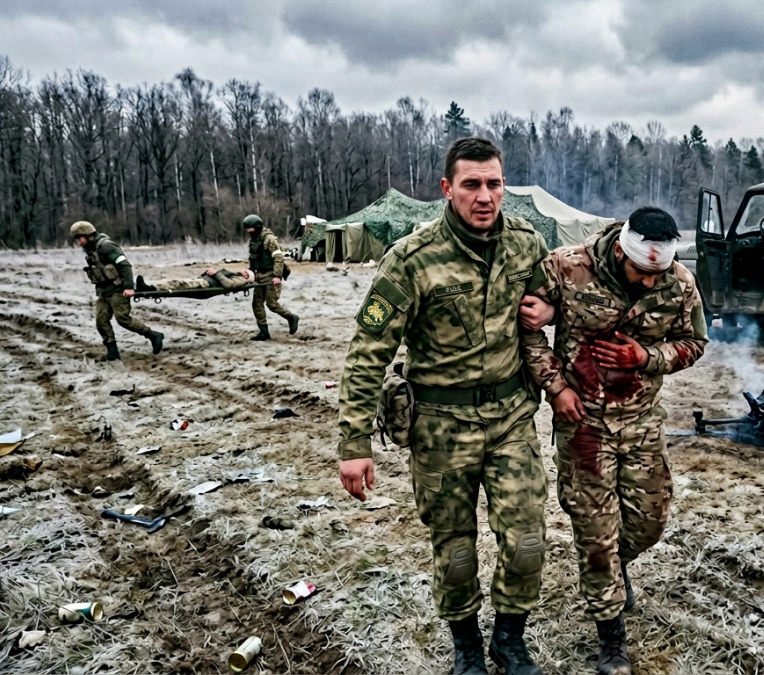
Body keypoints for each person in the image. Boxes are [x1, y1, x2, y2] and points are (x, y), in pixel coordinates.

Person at [337, 138, 549, 675]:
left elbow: (555, 296)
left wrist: (549, 309)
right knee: (454, 551)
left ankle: (508, 639)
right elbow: (367, 353)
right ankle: (467, 648)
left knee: (527, 540)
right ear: (447, 188)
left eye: (494, 184)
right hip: (440, 427)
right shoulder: (411, 259)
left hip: (510, 418)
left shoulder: (526, 243)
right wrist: (354, 443)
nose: (485, 196)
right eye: (471, 184)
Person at [518, 207, 708, 675]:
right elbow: (527, 330)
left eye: (657, 273)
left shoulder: (680, 283)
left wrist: (646, 356)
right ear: (621, 250)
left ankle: (614, 569)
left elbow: (694, 343)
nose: (649, 282)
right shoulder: (566, 267)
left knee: (649, 523)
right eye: (642, 271)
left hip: (641, 421)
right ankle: (611, 638)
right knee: (596, 533)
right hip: (584, 425)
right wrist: (555, 387)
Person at [70, 220, 164, 361]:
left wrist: (129, 287)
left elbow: (125, 265)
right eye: (77, 239)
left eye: (80, 238)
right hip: (104, 292)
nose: (79, 242)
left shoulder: (106, 246)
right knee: (101, 322)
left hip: (118, 289)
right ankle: (112, 353)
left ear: (89, 236)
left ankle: (153, 335)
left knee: (122, 319)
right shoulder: (91, 249)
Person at [244, 214, 299, 341]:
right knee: (257, 304)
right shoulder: (254, 241)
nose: (248, 231)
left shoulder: (269, 239)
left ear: (257, 227)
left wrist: (277, 276)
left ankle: (291, 317)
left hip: (271, 274)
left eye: (251, 228)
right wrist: (250, 272)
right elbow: (254, 258)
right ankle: (263, 331)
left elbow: (278, 258)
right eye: (247, 229)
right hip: (259, 275)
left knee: (272, 304)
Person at [136, 268, 253, 292]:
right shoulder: (234, 273)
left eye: (246, 274)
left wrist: (215, 273)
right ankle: (149, 286)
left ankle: (150, 288)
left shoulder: (241, 280)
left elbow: (229, 285)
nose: (244, 273)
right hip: (203, 280)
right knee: (175, 281)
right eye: (245, 271)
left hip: (206, 284)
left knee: (177, 283)